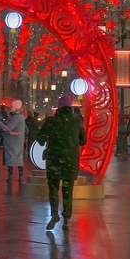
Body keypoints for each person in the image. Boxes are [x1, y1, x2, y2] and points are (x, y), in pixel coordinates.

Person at [33, 94, 86, 230]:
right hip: (70, 160)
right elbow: (83, 141)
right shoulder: (76, 121)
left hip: (54, 159)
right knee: (68, 190)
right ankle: (67, 218)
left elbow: (40, 139)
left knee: (53, 188)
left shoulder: (51, 121)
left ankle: (54, 214)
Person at [1, 100, 26, 187]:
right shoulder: (17, 116)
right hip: (14, 141)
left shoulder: (17, 117)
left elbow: (8, 127)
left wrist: (5, 128)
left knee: (13, 158)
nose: (11, 108)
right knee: (16, 158)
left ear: (16, 108)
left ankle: (13, 176)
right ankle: (19, 176)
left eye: (12, 106)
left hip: (14, 142)